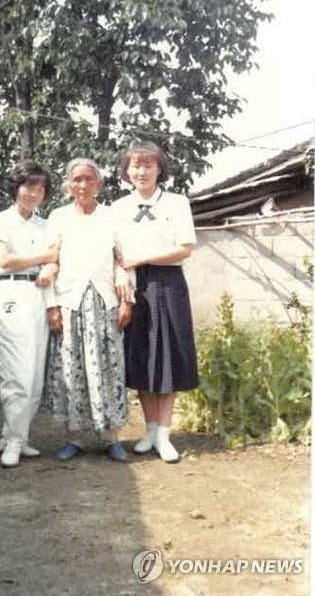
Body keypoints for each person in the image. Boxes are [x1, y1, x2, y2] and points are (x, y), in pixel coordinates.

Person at [111, 141, 199, 463]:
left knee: (168, 357)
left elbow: (184, 248)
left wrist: (141, 257)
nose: (142, 171)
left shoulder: (176, 203)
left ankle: (164, 434)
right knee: (141, 356)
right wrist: (123, 273)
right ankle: (149, 431)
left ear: (159, 169)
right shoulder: (118, 208)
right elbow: (115, 252)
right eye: (135, 165)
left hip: (168, 282)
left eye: (148, 165)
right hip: (134, 284)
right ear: (127, 171)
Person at [43, 158, 133, 463]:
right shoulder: (58, 218)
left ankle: (111, 438)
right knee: (71, 369)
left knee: (110, 367)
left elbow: (123, 260)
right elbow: (50, 262)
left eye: (89, 179)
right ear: (68, 185)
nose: (82, 185)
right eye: (76, 180)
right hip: (69, 303)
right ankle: (75, 438)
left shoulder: (112, 217)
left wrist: (127, 301)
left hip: (105, 303)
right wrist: (51, 306)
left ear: (99, 184)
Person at [0, 160, 58, 469]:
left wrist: (50, 265)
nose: (33, 193)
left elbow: (55, 261)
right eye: (28, 186)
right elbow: (5, 260)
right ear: (16, 188)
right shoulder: (0, 221)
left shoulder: (46, 225)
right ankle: (13, 442)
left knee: (35, 376)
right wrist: (45, 257)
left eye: (40, 188)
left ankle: (15, 436)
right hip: (11, 293)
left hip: (39, 294)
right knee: (17, 373)